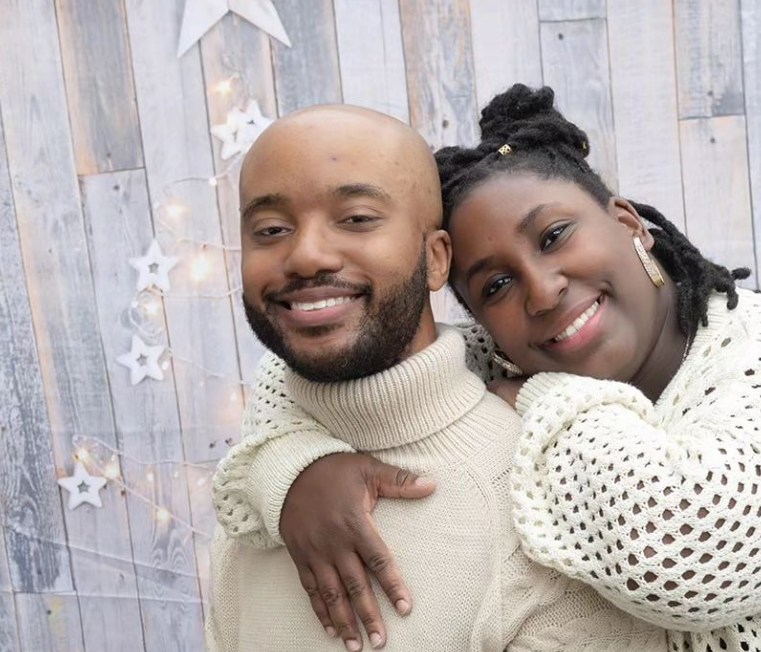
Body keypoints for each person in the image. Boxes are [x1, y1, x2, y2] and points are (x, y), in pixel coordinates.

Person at [205, 103, 666, 652]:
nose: (305, 255)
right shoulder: (259, 488)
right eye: (271, 229)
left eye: (356, 218)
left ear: (436, 258)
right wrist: (284, 471)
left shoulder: (546, 499)